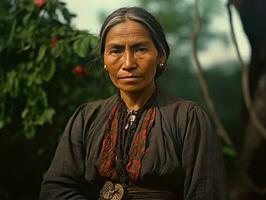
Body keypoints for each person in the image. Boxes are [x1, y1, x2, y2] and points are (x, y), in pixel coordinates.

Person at [39, 6, 226, 200]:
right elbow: (55, 189)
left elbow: (206, 192)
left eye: (140, 49)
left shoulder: (187, 118)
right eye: (116, 50)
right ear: (104, 58)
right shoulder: (87, 117)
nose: (128, 63)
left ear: (160, 56)